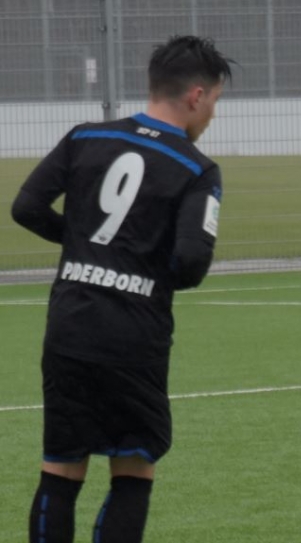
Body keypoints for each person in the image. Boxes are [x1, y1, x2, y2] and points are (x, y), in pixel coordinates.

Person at [12, 35, 234, 542]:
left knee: (60, 466)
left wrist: (83, 244)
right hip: (134, 336)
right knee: (133, 470)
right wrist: (137, 264)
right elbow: (191, 263)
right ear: (197, 95)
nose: (213, 115)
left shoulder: (85, 137)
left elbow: (25, 208)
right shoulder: (197, 169)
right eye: (216, 102)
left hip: (69, 326)